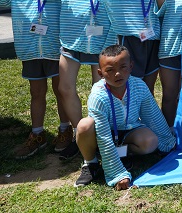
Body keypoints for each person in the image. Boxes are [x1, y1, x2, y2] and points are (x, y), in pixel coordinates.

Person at [35, 0, 117, 160]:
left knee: (101, 91)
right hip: (72, 41)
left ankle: (102, 135)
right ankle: (81, 134)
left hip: (103, 44)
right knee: (64, 88)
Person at [0, 0, 73, 159]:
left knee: (61, 90)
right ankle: (37, 134)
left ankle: (65, 129)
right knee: (36, 92)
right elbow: (6, 0)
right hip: (30, 46)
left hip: (58, 46)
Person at [74, 45, 176, 189]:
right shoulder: (98, 96)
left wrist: (168, 143)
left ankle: (122, 154)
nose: (117, 74)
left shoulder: (139, 86)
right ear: (100, 73)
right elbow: (103, 137)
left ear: (131, 66)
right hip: (101, 135)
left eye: (123, 67)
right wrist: (118, 175)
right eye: (110, 70)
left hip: (129, 132)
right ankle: (91, 163)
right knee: (84, 126)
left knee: (150, 141)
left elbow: (153, 116)